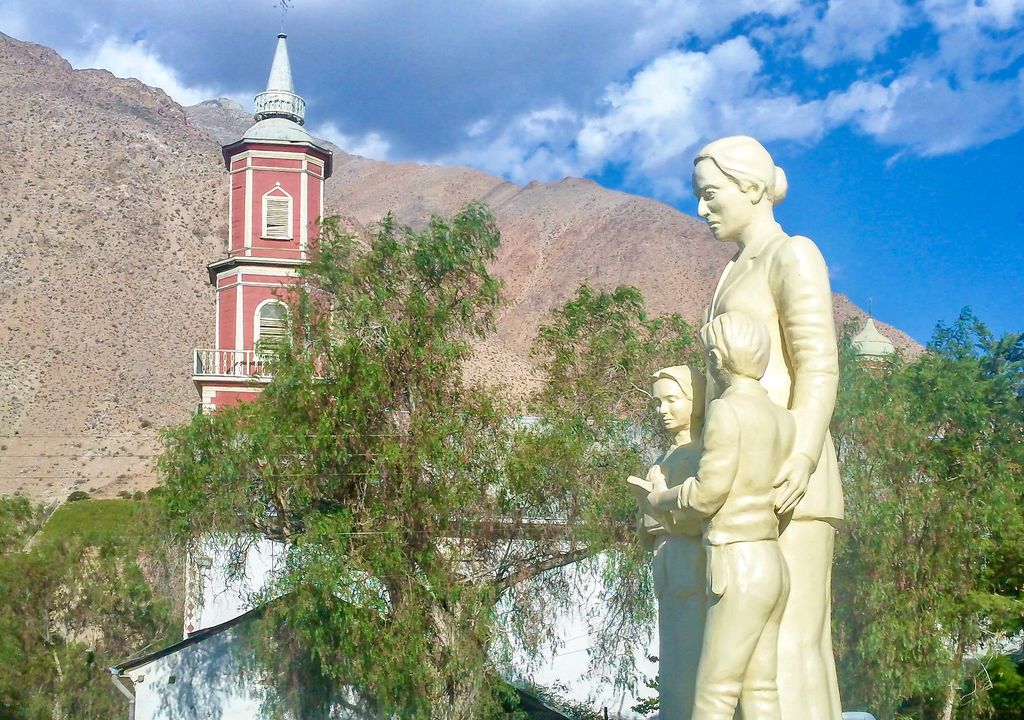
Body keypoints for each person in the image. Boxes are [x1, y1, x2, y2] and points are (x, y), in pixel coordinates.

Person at [692, 135, 843, 720]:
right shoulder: (731, 272)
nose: (702, 210)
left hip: (791, 478)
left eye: (711, 194)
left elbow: (818, 365)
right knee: (742, 656)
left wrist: (800, 458)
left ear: (751, 187)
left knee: (790, 644)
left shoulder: (792, 253)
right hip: (746, 481)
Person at [647, 311, 793, 720]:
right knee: (760, 687)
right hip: (772, 562)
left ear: (716, 358)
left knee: (713, 692)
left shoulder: (727, 412)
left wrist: (661, 499)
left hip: (738, 560)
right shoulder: (782, 418)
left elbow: (707, 495)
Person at [631, 365, 707, 720]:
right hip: (666, 567)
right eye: (657, 403)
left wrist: (664, 502)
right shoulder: (659, 461)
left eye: (671, 400)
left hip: (694, 566)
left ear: (695, 400)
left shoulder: (702, 455)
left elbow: (698, 513)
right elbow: (648, 530)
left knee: (695, 663)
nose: (662, 410)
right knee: (673, 666)